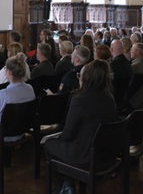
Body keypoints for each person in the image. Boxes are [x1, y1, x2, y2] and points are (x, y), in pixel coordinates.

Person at [44, 60, 118, 191]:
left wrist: (56, 138)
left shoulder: (79, 99)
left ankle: (62, 188)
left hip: (86, 156)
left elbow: (68, 134)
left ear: (86, 78)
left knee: (49, 144)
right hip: (106, 153)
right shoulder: (109, 97)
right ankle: (68, 183)